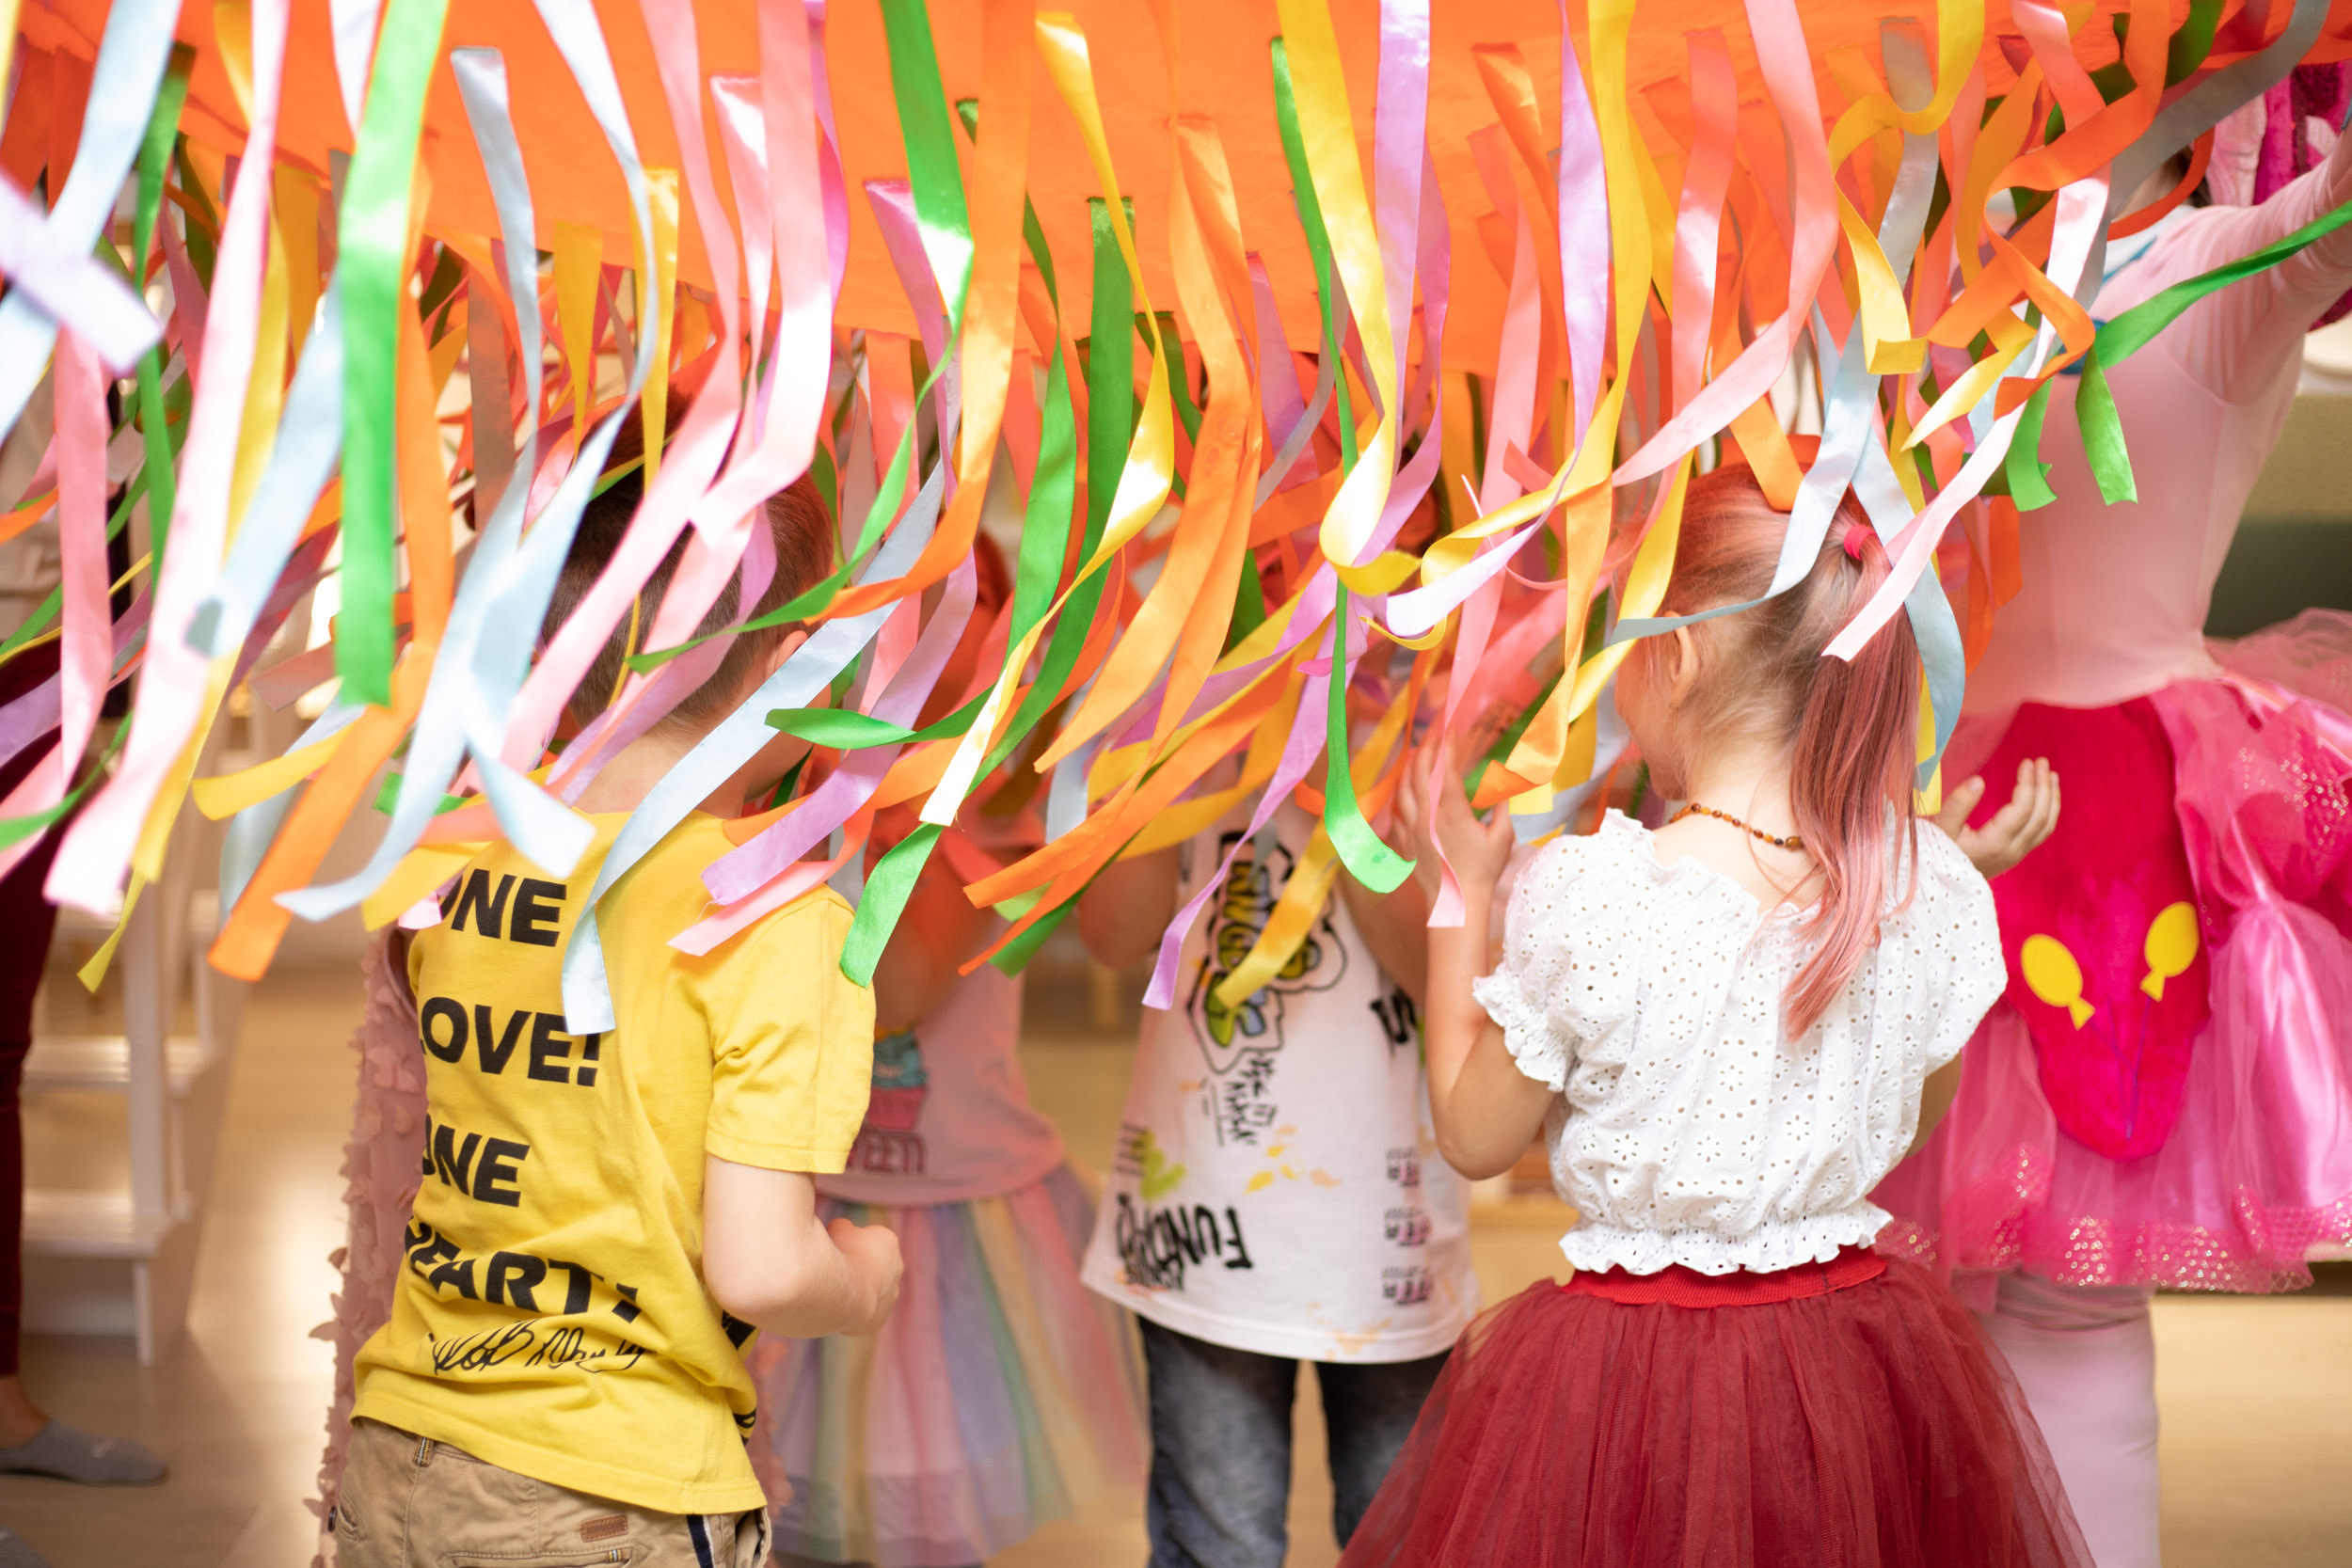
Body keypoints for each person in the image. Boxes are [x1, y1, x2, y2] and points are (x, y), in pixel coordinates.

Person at [1338, 462, 2082, 1568]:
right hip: (1851, 1359)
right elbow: (1911, 1118)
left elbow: (1473, 1132)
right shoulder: (1929, 890)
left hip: (1630, 1375)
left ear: (1672, 654)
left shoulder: (1596, 893)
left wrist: (1465, 895)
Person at [1872, 101, 2352, 1568]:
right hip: (1926, 803)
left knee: (2071, 1293)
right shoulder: (1932, 294)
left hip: (2116, 825)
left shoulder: (2217, 269)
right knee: (1914, 1293)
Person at [329, 421, 903, 1568]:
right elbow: (761, 1268)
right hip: (610, 1490)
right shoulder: (778, 922)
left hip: (404, 1449)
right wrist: (864, 1278)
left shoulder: (451, 862)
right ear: (792, 659)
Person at [748, 547, 1147, 1568]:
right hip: (806, 1204)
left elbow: (907, 985)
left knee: (935, 1518)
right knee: (791, 1507)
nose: (916, 633)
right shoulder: (806, 797)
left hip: (966, 1222)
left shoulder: (1007, 815)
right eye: (889, 608)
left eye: (958, 606)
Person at [1073, 736, 1479, 1568]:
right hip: (1202, 1220)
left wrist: (1342, 796)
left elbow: (1451, 979)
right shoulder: (1181, 708)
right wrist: (1168, 753)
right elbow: (1113, 937)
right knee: (1217, 1539)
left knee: (1396, 1532)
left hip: (1386, 1231)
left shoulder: (1446, 715)